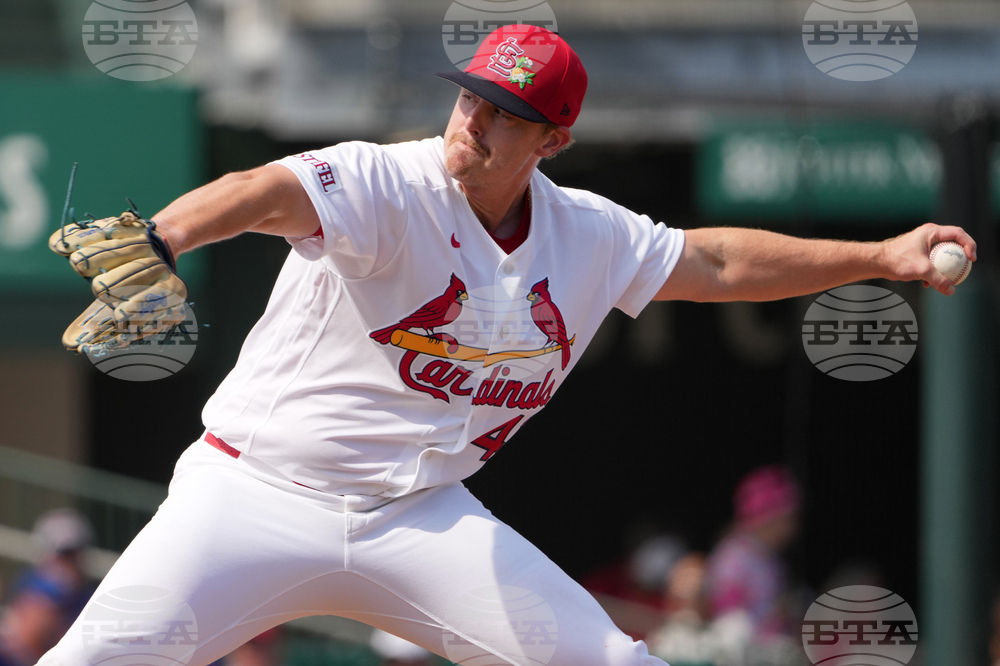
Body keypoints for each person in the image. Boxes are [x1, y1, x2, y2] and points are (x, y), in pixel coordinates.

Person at [39, 24, 976, 666]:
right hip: (254, 495)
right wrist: (165, 236)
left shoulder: (586, 236)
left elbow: (720, 262)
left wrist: (881, 254)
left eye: (504, 113)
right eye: (471, 99)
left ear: (555, 139)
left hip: (419, 518)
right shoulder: (388, 182)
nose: (474, 122)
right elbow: (261, 189)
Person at [703, 466, 802, 641]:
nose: (793, 527)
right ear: (767, 517)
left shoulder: (772, 560)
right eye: (788, 518)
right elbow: (729, 625)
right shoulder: (731, 559)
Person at [0, 510, 96, 666]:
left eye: (73, 554)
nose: (67, 562)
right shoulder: (33, 584)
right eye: (63, 554)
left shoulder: (90, 601)